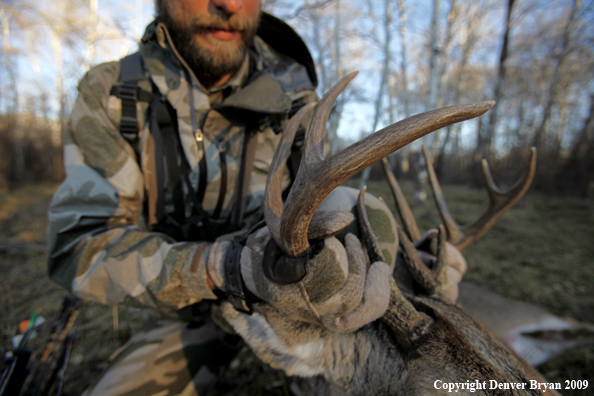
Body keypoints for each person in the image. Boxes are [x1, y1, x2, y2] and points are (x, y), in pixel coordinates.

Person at [47, 0, 467, 394]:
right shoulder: (115, 94)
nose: (229, 4)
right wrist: (225, 268)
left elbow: (332, 210)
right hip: (189, 311)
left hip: (286, 309)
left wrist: (402, 260)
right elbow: (80, 249)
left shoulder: (295, 95)